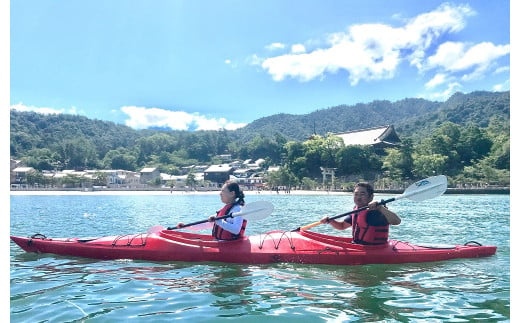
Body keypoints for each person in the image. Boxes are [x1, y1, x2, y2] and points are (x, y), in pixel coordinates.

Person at [320, 182, 401, 245]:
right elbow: (342, 226)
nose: (358, 197)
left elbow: (397, 221)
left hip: (374, 249)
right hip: (357, 245)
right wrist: (330, 221)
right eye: (356, 194)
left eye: (362, 194)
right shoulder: (357, 211)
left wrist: (380, 208)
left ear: (371, 197)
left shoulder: (376, 212)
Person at [177, 180, 247, 240]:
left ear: (232, 194)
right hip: (220, 242)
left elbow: (236, 230)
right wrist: (186, 226)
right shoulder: (225, 210)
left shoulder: (238, 210)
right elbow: (204, 225)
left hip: (230, 245)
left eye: (223, 191)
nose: (220, 194)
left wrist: (218, 221)